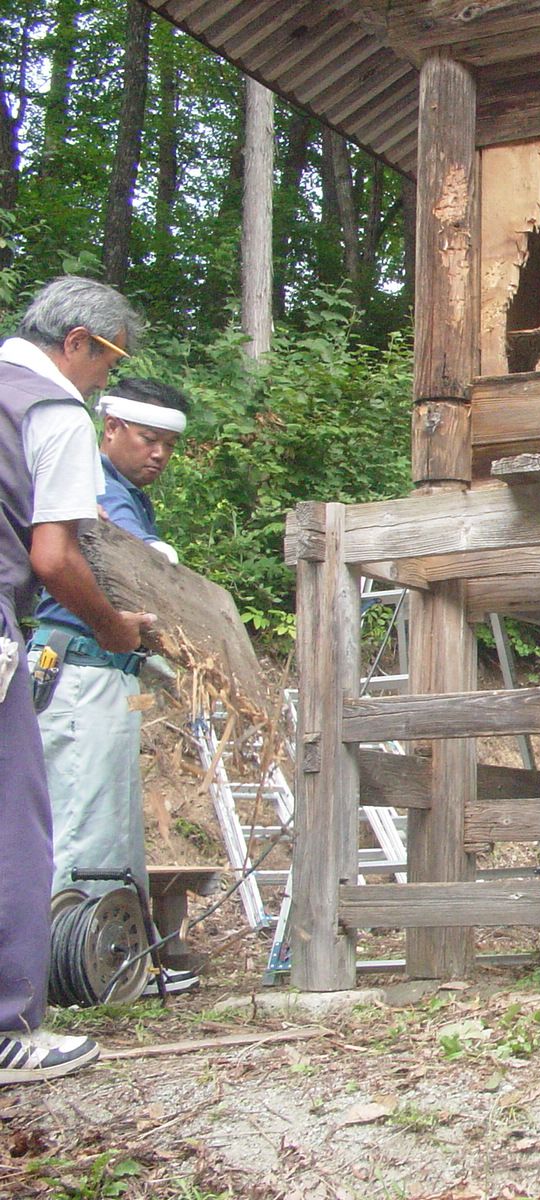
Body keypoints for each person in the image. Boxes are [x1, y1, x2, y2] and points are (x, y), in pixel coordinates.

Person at [0, 276, 153, 1085]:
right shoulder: (52, 410)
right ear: (77, 343)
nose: (106, 380)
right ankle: (9, 1027)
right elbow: (53, 557)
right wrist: (114, 626)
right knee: (20, 826)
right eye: (109, 360)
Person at [32, 376, 198, 999]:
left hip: (110, 674)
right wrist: (158, 556)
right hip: (79, 669)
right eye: (147, 439)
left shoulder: (125, 491)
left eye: (168, 445)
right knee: (80, 821)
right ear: (112, 429)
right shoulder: (98, 486)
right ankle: (63, 971)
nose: (158, 453)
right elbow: (134, 554)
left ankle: (118, 961)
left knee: (111, 819)